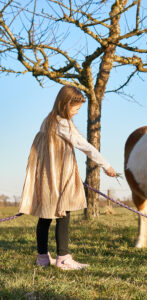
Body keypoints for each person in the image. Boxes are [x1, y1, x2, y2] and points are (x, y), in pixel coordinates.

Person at [19, 85, 116, 270]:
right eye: (76, 108)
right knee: (64, 214)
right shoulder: (62, 124)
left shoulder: (48, 121)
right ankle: (63, 257)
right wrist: (106, 164)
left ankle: (42, 258)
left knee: (45, 216)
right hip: (59, 178)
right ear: (66, 104)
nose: (77, 113)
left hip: (47, 178)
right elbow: (84, 145)